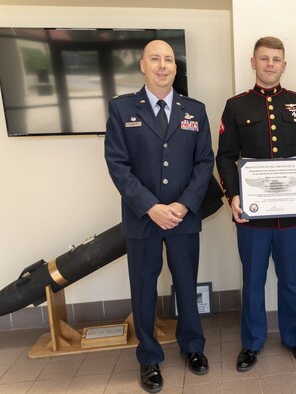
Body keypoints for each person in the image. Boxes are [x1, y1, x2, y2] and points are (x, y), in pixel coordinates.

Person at [104, 40, 214, 392]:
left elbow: (204, 162)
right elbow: (117, 164)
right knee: (144, 290)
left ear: (175, 68)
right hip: (142, 219)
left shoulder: (194, 110)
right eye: (156, 59)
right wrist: (150, 206)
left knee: (186, 283)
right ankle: (149, 358)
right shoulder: (122, 109)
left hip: (183, 218)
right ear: (143, 65)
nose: (163, 65)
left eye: (168, 60)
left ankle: (192, 347)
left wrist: (183, 205)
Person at [216, 36, 296, 371]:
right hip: (253, 212)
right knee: (253, 278)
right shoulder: (236, 106)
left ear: (284, 64)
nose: (270, 65)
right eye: (264, 59)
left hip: (292, 211)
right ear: (253, 62)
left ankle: (294, 336)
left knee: (290, 277)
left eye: (276, 59)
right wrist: (232, 195)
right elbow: (225, 156)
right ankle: (251, 342)